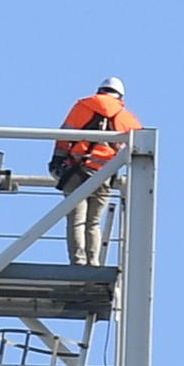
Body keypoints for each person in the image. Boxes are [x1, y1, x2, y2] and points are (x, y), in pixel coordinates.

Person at [50, 75, 134, 266]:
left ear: (100, 91)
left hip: (76, 170)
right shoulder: (126, 117)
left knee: (76, 219)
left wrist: (57, 160)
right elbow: (137, 149)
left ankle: (78, 261)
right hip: (104, 173)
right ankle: (94, 261)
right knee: (93, 222)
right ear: (120, 96)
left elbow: (64, 136)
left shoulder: (84, 106)